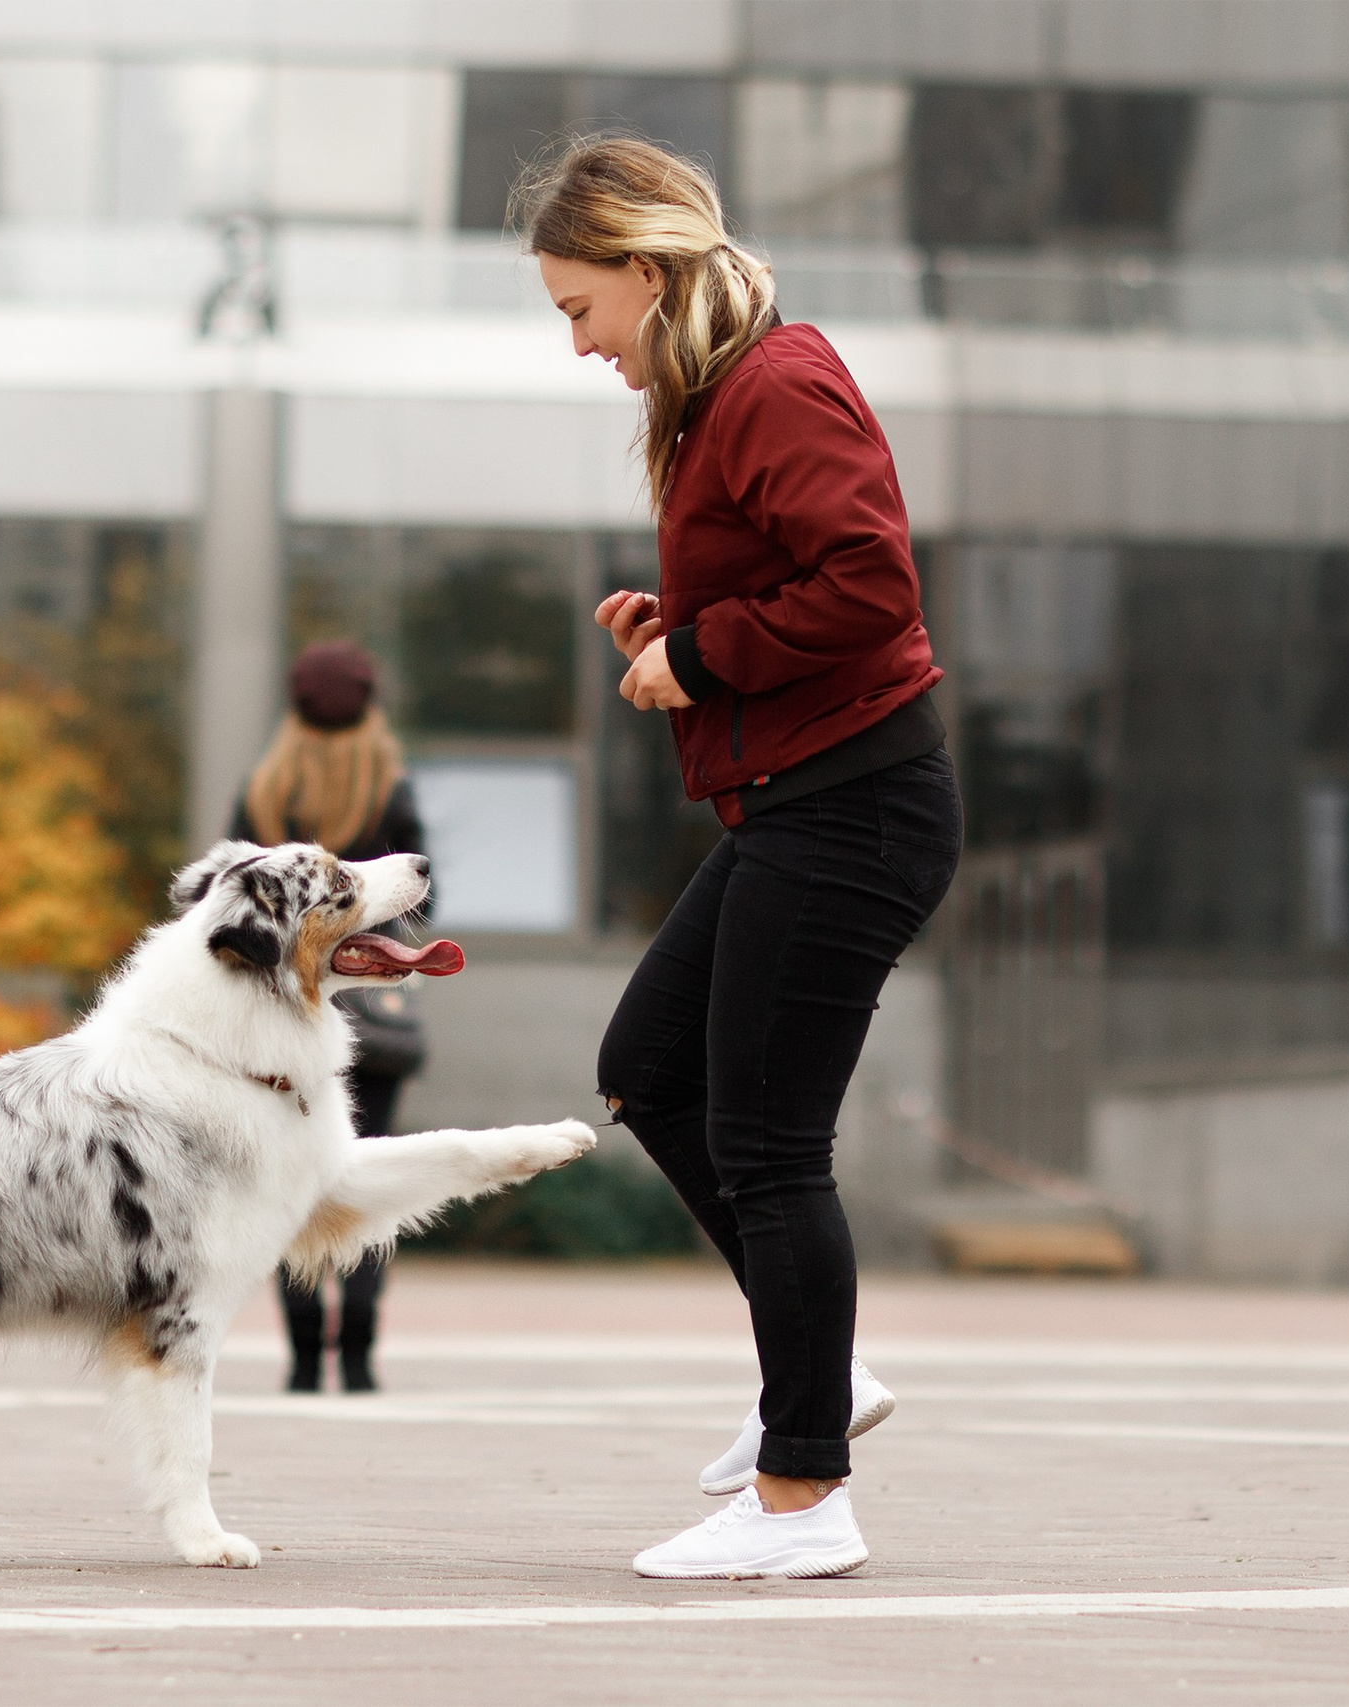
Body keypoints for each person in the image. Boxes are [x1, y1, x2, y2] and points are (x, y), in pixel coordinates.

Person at [521, 137, 962, 1579]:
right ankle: (818, 1370)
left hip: (854, 806)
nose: (579, 344)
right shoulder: (723, 398)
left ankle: (801, 1493)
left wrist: (703, 656)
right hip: (797, 802)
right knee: (651, 1067)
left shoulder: (776, 379)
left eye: (581, 308)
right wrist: (679, 625)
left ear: (645, 273)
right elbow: (797, 577)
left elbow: (871, 582)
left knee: (770, 1143)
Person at [229, 641, 430, 1394]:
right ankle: (361, 1356)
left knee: (289, 1181)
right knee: (368, 1170)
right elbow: (424, 895)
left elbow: (231, 887)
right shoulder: (388, 789)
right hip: (371, 1012)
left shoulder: (264, 790)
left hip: (280, 1021)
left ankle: (306, 1357)